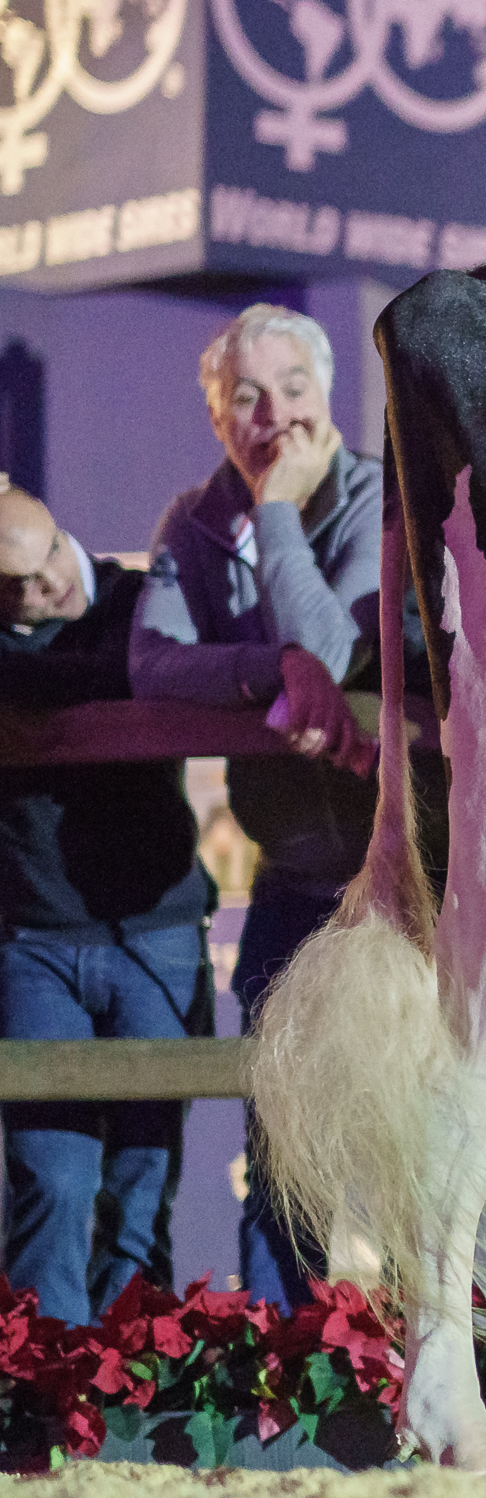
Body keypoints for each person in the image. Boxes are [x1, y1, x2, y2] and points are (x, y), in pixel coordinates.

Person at [130, 305, 388, 1312]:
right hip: (288, 877)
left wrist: (276, 511)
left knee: (429, 1134)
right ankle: (284, 1357)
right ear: (216, 417)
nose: (274, 414)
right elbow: (152, 663)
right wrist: (268, 667)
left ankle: (448, 1355)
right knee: (280, 1146)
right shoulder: (194, 519)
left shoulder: (381, 497)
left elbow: (336, 647)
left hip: (404, 882)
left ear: (329, 396)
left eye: (292, 388)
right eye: (247, 396)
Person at [0, 486, 215, 1324]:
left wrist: (45, 691)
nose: (43, 587)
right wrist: (108, 683)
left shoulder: (135, 602)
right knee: (50, 1179)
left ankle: (129, 1372)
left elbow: (152, 669)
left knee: (142, 1180)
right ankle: (47, 1375)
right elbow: (124, 675)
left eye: (48, 556)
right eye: (13, 585)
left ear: (63, 533)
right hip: (35, 942)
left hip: (155, 931)